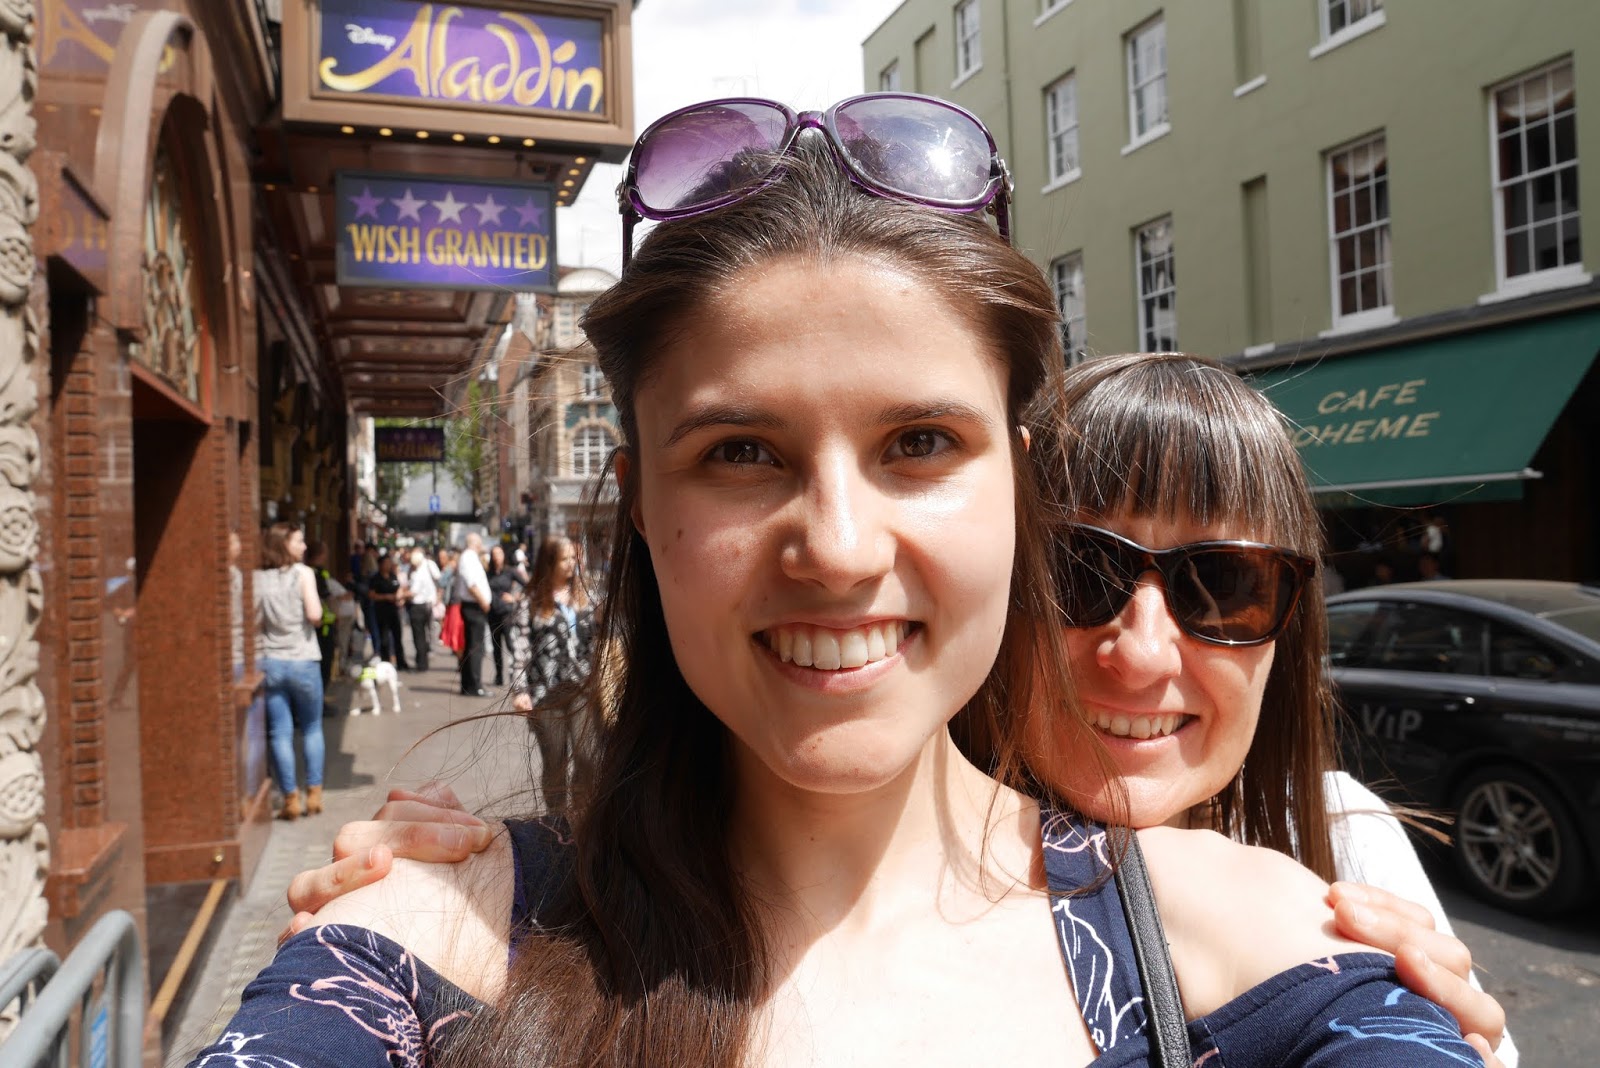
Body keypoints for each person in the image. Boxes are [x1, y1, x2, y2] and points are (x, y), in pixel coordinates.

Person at [191, 97, 1491, 1068]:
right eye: (742, 452)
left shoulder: (1238, 940)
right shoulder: (442, 944)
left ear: (1019, 488)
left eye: (919, 445)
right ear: (642, 497)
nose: (841, 544)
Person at [510, 535, 592, 809]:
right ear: (549, 563)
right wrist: (520, 690)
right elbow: (520, 648)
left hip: (582, 687)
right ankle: (558, 822)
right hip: (546, 692)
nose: (571, 565)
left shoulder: (584, 596)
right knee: (555, 761)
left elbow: (595, 640)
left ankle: (582, 815)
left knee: (588, 756)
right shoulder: (531, 601)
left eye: (573, 558)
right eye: (564, 559)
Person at [254, 522, 325, 821]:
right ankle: (314, 795)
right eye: (299, 541)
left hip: (271, 661)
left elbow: (254, 620)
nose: (304, 546)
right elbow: (315, 614)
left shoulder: (258, 578)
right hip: (303, 659)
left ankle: (290, 800)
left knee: (279, 732)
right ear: (283, 544)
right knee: (311, 727)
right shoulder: (303, 574)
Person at [453, 533, 492, 696]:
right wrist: (483, 602)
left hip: (474, 606)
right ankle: (475, 685)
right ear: (475, 543)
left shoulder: (470, 557)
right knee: (476, 647)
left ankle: (469, 684)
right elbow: (472, 584)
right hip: (474, 606)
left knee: (472, 646)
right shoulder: (468, 557)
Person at [485, 544, 522, 687]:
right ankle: (499, 676)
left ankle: (517, 675)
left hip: (507, 614)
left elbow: (529, 585)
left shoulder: (510, 571)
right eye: (494, 554)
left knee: (511, 645)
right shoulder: (488, 573)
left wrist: (515, 598)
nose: (497, 557)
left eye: (499, 553)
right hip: (492, 613)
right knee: (496, 647)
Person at [305, 540, 339, 689]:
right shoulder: (315, 572)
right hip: (322, 625)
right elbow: (326, 598)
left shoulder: (312, 571)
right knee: (324, 663)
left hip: (320, 623)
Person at [367, 552, 409, 670]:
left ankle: (401, 662)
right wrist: (386, 597)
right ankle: (386, 662)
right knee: (384, 638)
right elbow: (371, 595)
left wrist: (399, 596)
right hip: (381, 611)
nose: (388, 565)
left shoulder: (392, 576)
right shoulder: (375, 578)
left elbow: (398, 588)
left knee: (397, 636)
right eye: (386, 563)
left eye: (389, 563)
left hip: (394, 610)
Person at [404, 547, 441, 671]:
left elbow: (413, 592)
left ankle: (422, 662)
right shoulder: (426, 568)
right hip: (427, 604)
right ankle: (423, 658)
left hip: (419, 606)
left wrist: (401, 595)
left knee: (419, 635)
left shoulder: (418, 574)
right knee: (425, 633)